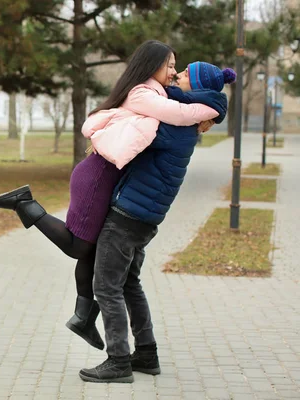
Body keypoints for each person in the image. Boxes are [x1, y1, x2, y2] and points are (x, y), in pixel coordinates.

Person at [0, 40, 222, 351]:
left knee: (94, 254)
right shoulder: (148, 97)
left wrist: (210, 104)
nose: (174, 73)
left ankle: (85, 319)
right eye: (169, 66)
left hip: (114, 186)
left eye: (178, 69)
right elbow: (176, 113)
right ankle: (24, 203)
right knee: (80, 248)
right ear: (151, 65)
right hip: (99, 178)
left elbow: (177, 111)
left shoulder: (160, 101)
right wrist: (213, 106)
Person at [78, 62, 233, 384]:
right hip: (147, 216)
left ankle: (118, 360)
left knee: (106, 287)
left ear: (199, 85)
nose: (178, 76)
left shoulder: (176, 123)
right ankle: (146, 354)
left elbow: (133, 128)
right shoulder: (187, 118)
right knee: (130, 284)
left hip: (129, 214)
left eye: (187, 74)